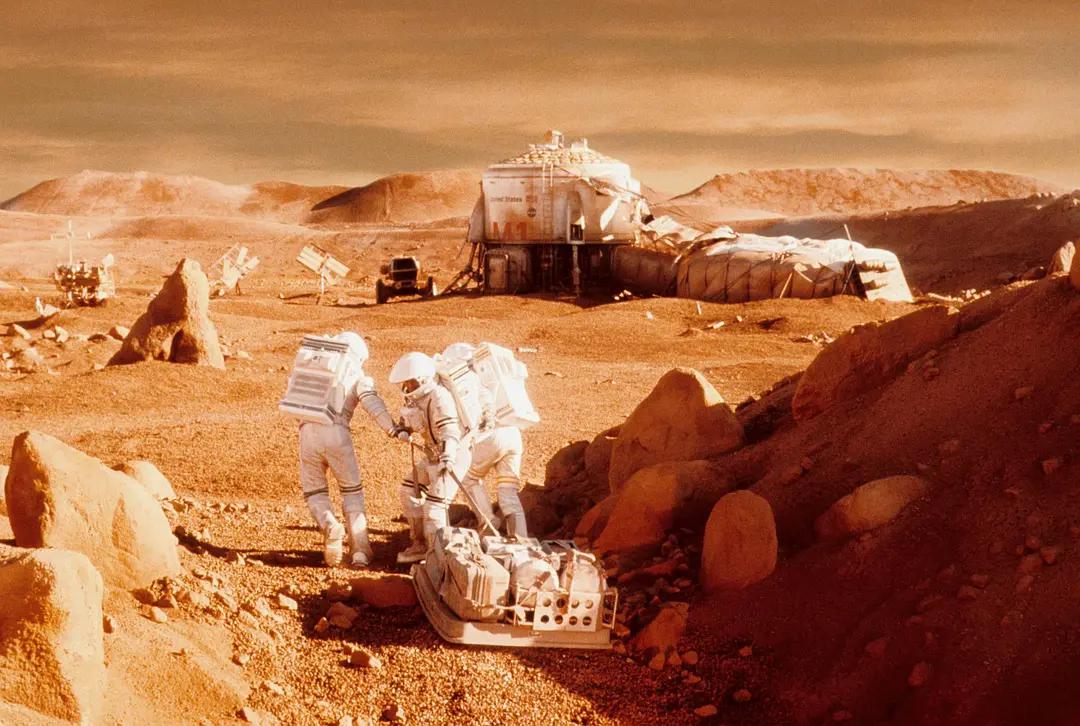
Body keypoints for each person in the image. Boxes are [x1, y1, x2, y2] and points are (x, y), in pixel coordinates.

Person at [297, 332, 408, 568]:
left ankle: (329, 524)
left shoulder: (313, 364)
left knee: (315, 490)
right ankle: (360, 551)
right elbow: (372, 404)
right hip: (337, 431)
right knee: (351, 492)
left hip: (307, 432)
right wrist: (393, 430)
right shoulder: (357, 375)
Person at [388, 351, 472, 564]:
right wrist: (403, 430)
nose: (408, 387)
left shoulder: (439, 397)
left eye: (411, 382)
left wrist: (448, 456)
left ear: (423, 379)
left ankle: (438, 559)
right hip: (432, 455)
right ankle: (420, 544)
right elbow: (411, 421)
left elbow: (450, 431)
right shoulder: (416, 399)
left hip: (453, 455)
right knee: (408, 491)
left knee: (435, 508)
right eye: (406, 383)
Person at [439, 343, 529, 538]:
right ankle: (520, 537)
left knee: (468, 478)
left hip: (491, 437)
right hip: (513, 435)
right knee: (508, 492)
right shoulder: (496, 374)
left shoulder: (468, 382)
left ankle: (488, 522)